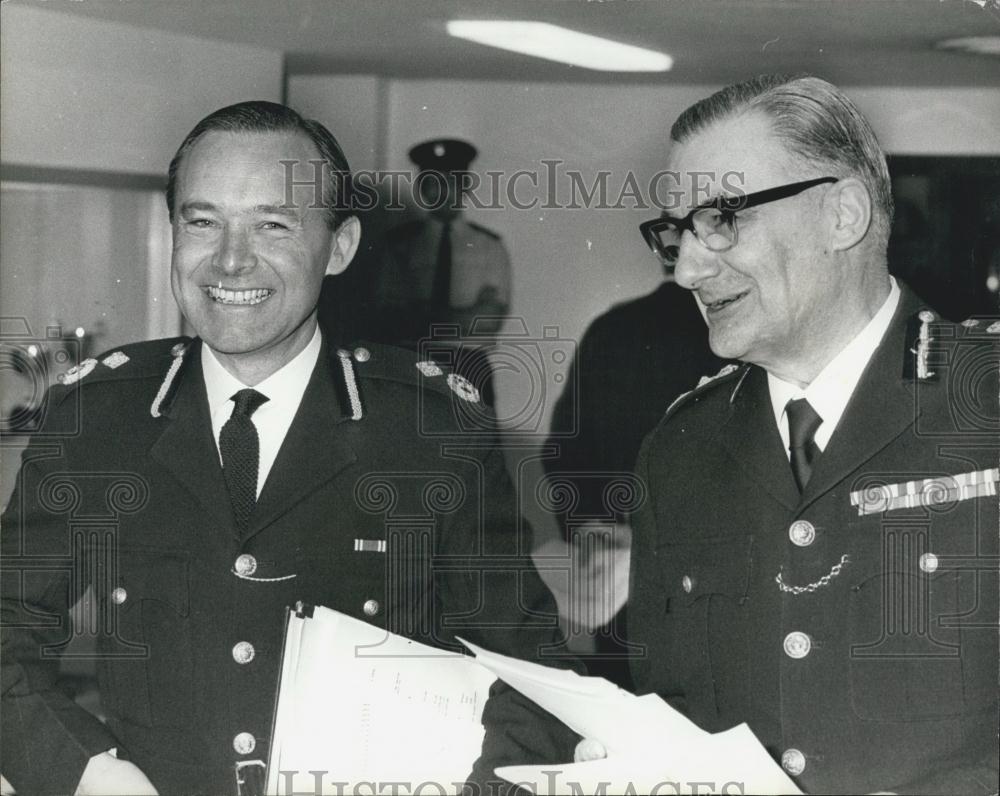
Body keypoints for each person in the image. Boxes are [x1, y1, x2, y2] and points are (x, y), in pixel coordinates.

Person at [0, 102, 576, 796]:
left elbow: (534, 678)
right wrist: (88, 772)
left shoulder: (432, 433)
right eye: (202, 222)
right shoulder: (100, 418)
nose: (230, 259)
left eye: (272, 225)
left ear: (340, 246)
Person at [627, 75, 998, 793]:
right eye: (677, 234)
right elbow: (670, 706)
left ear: (842, 215)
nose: (688, 269)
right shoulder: (679, 453)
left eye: (722, 219)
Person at [543, 278, 723, 689]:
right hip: (690, 589)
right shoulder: (730, 332)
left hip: (620, 585)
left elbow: (564, 453)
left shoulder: (612, 328)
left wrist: (592, 527)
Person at [373, 139, 511, 406]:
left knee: (472, 432)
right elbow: (388, 318)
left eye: (451, 182)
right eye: (433, 183)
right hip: (412, 361)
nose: (442, 191)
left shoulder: (490, 247)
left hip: (469, 365)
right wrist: (465, 315)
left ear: (465, 185)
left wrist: (421, 315)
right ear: (421, 188)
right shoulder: (399, 246)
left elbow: (489, 321)